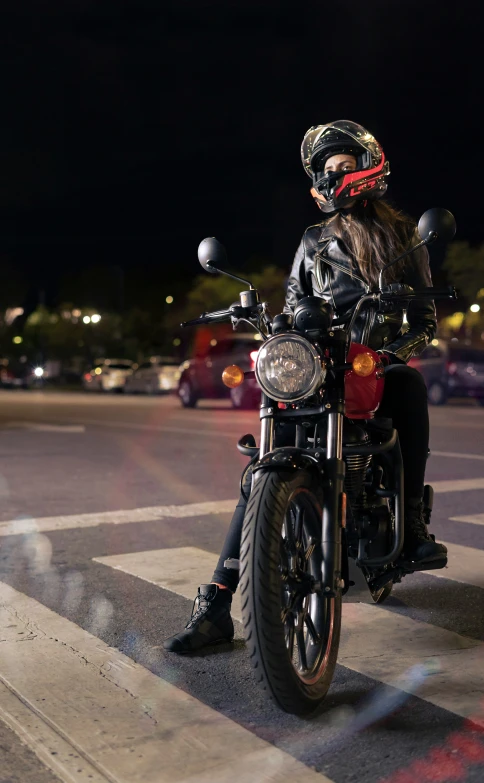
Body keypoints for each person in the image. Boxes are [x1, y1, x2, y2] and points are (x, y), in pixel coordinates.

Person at [163, 119, 447, 654]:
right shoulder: (314, 240)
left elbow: (425, 322)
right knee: (260, 473)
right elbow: (295, 300)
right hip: (320, 363)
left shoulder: (407, 238)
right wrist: (280, 324)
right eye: (328, 170)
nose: (335, 177)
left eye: (344, 166)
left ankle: (411, 531)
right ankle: (219, 602)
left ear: (368, 168)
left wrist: (389, 355)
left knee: (408, 386)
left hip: (374, 365)